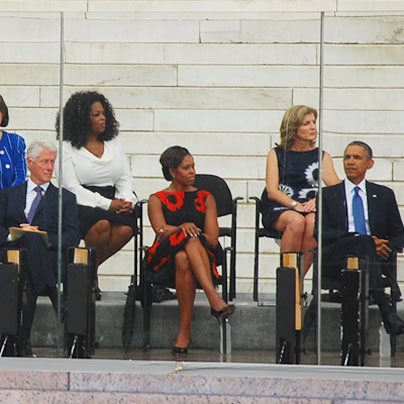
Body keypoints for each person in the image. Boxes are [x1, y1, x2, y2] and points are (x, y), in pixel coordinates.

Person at [146, 146, 235, 355]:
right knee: (185, 241)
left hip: (201, 257)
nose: (193, 171)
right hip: (164, 260)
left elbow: (212, 239)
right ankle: (214, 298)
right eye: (186, 168)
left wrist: (189, 233)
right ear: (172, 171)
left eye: (193, 166)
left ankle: (184, 332)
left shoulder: (206, 197)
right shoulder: (156, 199)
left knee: (185, 253)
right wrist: (181, 228)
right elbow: (160, 231)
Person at [0, 139, 81, 356]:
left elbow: (74, 235)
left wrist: (46, 239)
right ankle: (56, 296)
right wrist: (13, 233)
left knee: (34, 242)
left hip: (49, 256)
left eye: (52, 162)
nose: (49, 167)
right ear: (29, 162)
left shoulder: (65, 198)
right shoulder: (8, 195)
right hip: (13, 256)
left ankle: (22, 339)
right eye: (44, 162)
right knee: (28, 239)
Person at [56, 91, 136, 300]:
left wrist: (126, 200)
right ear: (82, 119)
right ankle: (90, 279)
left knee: (127, 228)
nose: (103, 118)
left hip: (114, 199)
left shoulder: (114, 143)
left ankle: (85, 272)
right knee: (102, 226)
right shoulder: (66, 147)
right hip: (81, 201)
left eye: (103, 114)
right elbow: (70, 187)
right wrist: (107, 204)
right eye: (96, 115)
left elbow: (124, 177)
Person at [319, 141, 404, 336]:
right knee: (365, 240)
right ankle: (386, 310)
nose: (350, 162)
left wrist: (385, 245)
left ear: (369, 164)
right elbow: (321, 233)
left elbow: (399, 235)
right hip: (338, 257)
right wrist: (362, 239)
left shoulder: (384, 195)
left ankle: (382, 304)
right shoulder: (328, 194)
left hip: (373, 259)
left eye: (357, 158)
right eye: (347, 157)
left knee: (367, 244)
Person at [261, 105, 340, 275]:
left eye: (314, 122)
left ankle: (295, 283)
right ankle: (287, 281)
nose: (313, 127)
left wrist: (318, 200)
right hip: (281, 204)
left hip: (311, 205)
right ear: (293, 128)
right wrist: (294, 204)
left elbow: (336, 189)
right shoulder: (276, 154)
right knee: (296, 221)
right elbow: (272, 190)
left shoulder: (322, 156)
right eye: (306, 123)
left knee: (313, 223)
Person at [0, 95, 27, 189]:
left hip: (9, 201)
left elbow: (20, 177)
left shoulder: (15, 142)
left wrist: (6, 199)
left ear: (2, 114)